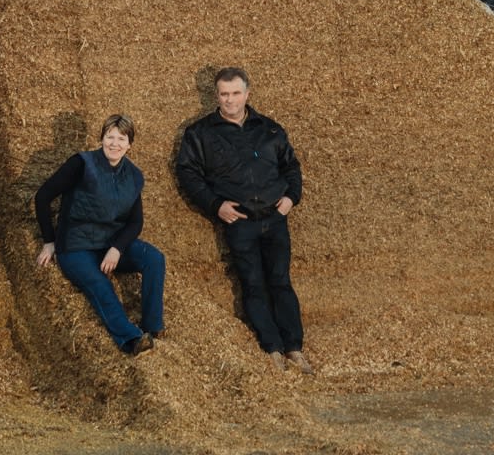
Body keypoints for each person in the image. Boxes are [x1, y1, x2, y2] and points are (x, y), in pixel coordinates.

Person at [173, 66, 309, 373]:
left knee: (280, 281)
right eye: (224, 94)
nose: (230, 100)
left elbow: (292, 167)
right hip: (239, 222)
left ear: (247, 94)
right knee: (253, 283)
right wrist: (215, 205)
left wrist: (290, 199)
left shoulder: (270, 129)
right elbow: (187, 173)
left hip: (275, 218)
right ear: (216, 96)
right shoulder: (200, 133)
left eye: (236, 93)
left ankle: (294, 348)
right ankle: (271, 347)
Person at [35, 114, 166, 355]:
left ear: (130, 145)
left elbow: (136, 222)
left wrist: (117, 248)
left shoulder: (134, 176)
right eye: (110, 137)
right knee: (99, 283)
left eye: (121, 138)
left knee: (154, 259)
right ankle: (131, 339)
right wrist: (49, 241)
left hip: (109, 243)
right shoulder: (81, 164)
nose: (114, 143)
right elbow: (42, 197)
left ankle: (152, 326)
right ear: (102, 138)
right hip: (76, 246)